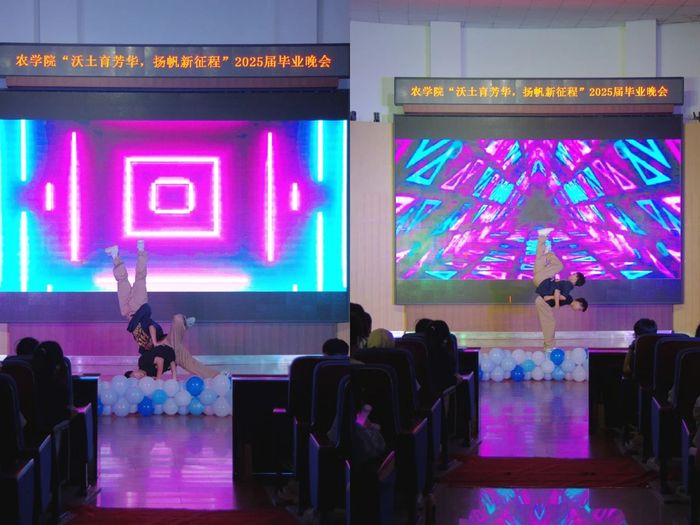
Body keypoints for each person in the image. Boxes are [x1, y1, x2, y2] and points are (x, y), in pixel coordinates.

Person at [533, 228, 588, 350]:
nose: (577, 310)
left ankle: (544, 243)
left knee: (542, 260)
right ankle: (549, 346)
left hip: (542, 283)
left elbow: (557, 289)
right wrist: (554, 301)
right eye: (579, 308)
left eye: (574, 274)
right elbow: (558, 293)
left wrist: (553, 289)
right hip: (542, 284)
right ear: (579, 303)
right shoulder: (569, 291)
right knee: (549, 322)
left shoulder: (568, 291)